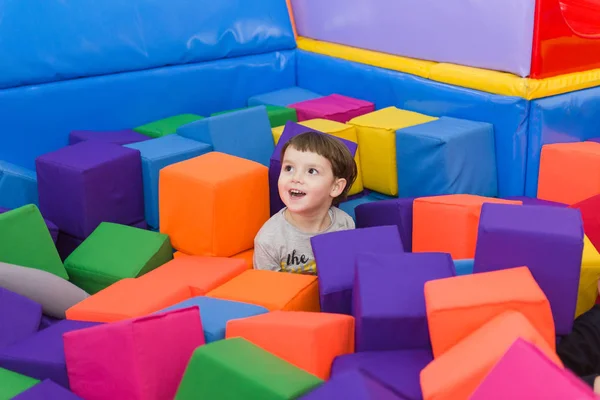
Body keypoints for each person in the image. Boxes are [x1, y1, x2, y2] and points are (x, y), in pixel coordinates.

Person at [253, 130, 358, 275]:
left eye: (312, 171)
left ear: (335, 187)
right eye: (289, 168)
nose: (296, 178)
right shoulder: (269, 240)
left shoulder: (344, 224)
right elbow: (268, 292)